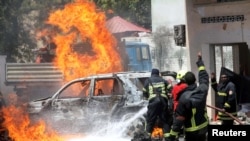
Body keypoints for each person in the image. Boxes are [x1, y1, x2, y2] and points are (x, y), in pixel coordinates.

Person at [166, 52, 209, 141]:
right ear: (195, 80)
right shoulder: (202, 90)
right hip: (204, 128)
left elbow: (179, 120)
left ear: (185, 82)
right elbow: (204, 77)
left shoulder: (184, 98)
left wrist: (172, 136)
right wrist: (200, 62)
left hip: (192, 132)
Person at [142, 68, 172, 141]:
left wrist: (149, 97)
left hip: (153, 104)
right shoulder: (163, 80)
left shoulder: (148, 81)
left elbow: (144, 93)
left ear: (152, 74)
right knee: (164, 121)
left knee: (150, 121)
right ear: (158, 74)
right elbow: (170, 88)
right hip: (163, 103)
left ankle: (147, 138)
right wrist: (167, 95)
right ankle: (168, 138)